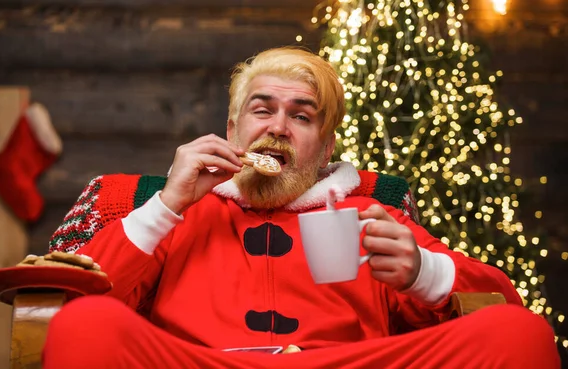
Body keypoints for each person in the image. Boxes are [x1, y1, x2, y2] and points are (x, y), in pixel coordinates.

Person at [42, 47, 559, 368]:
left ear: (326, 147)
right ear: (231, 130)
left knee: (519, 332)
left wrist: (424, 271)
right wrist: (167, 203)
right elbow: (72, 300)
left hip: (348, 364)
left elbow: (501, 302)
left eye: (302, 117)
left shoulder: (371, 217)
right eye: (261, 110)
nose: (278, 128)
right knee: (84, 325)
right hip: (202, 363)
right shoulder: (175, 209)